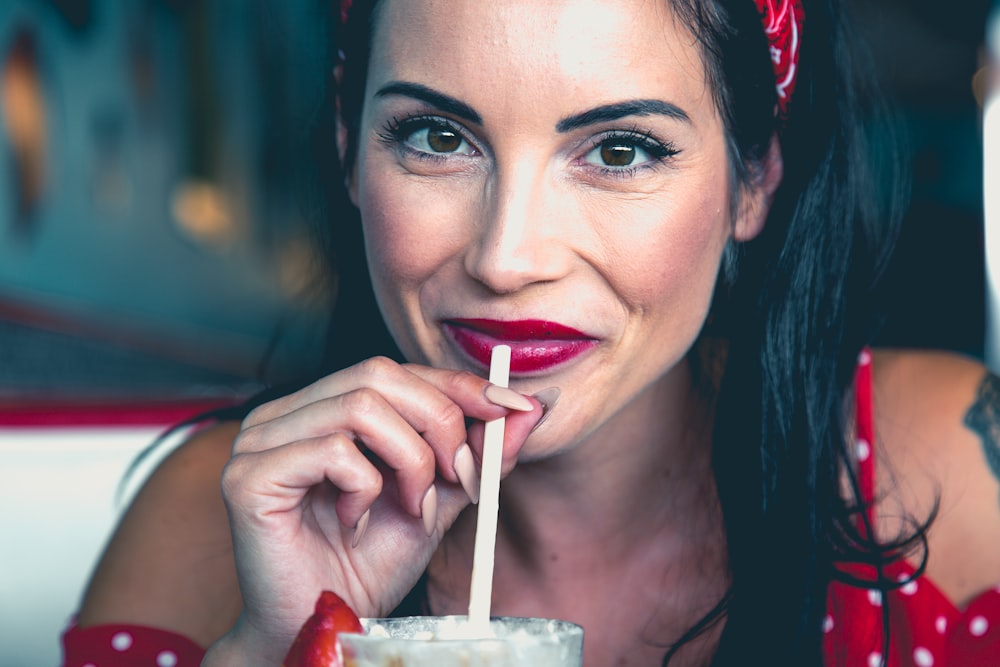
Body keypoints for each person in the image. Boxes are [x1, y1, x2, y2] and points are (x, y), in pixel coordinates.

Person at [64, 0, 1000, 665]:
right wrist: (283, 649)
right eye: (436, 138)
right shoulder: (214, 529)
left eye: (621, 149)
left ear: (752, 176)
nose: (508, 258)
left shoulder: (949, 473)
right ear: (349, 141)